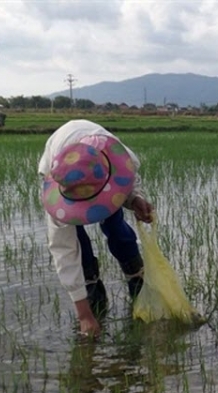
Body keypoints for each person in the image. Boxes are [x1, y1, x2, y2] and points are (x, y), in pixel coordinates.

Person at [39, 119, 154, 336]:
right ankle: (92, 288)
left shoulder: (119, 157)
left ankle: (136, 276)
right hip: (59, 158)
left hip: (98, 167)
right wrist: (83, 316)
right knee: (77, 241)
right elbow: (64, 251)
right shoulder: (60, 190)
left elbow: (127, 182)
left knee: (115, 224)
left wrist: (135, 199)